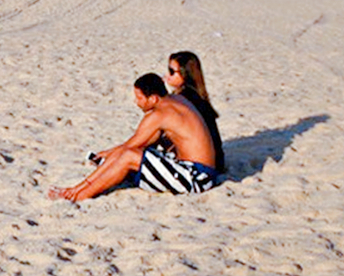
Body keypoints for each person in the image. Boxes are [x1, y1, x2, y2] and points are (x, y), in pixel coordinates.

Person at [50, 73, 218, 201]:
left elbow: (129, 148)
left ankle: (78, 194)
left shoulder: (160, 115)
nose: (136, 102)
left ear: (152, 98)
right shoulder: (176, 99)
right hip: (204, 172)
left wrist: (104, 157)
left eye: (139, 98)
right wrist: (106, 155)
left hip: (196, 178)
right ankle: (80, 188)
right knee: (125, 156)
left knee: (127, 157)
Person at [164, 50, 225, 174]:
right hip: (217, 160)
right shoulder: (196, 96)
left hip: (203, 163)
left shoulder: (184, 100)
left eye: (172, 71)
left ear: (185, 74)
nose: (167, 75)